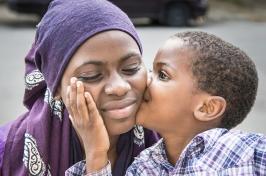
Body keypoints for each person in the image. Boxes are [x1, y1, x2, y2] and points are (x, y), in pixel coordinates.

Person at [67, 31, 266, 175]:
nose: (146, 80)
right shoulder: (143, 168)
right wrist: (96, 151)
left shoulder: (249, 151)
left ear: (207, 108)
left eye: (162, 74)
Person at [0, 0, 159, 175]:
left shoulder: (174, 140)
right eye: (91, 75)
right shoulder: (8, 150)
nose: (119, 88)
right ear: (57, 88)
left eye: (131, 67)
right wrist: (96, 153)